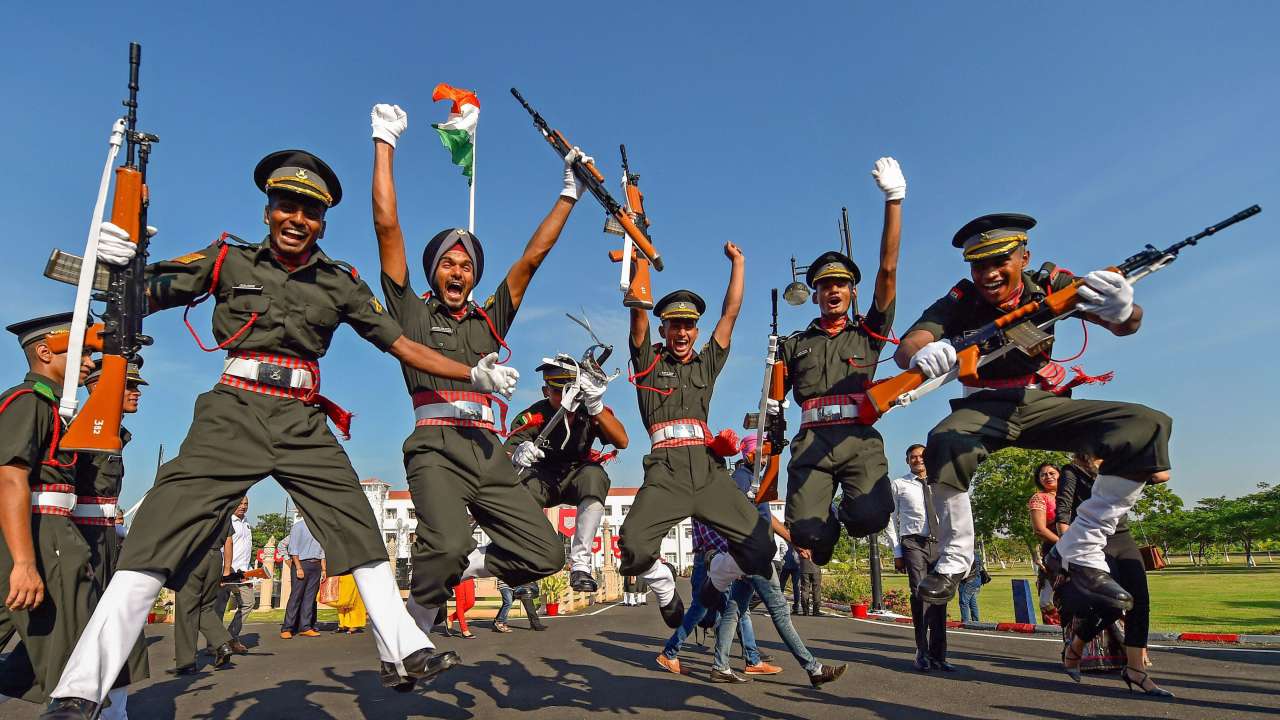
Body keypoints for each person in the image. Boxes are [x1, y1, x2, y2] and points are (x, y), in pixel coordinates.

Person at [43, 149, 500, 717]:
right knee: (155, 531)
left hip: (302, 417)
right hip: (233, 409)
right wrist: (117, 263)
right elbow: (141, 299)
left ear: (323, 221)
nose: (296, 219)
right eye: (287, 205)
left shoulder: (340, 281)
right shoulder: (227, 260)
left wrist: (471, 373)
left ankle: (405, 646)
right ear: (268, 210)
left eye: (309, 211)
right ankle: (80, 688)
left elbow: (400, 344)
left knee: (356, 519)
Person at [894, 212, 1172, 613]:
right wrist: (921, 353)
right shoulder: (961, 299)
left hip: (1040, 400)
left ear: (1024, 257)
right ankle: (956, 556)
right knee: (945, 440)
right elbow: (910, 343)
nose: (988, 273)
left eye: (999, 261)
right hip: (983, 404)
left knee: (1146, 423)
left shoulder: (1050, 284)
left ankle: (1083, 546)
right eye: (979, 264)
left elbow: (1123, 325)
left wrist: (1122, 309)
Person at [368, 104, 567, 636]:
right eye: (448, 264)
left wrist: (568, 193)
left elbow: (530, 260)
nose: (458, 271)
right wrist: (383, 142)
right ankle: (417, 616)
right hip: (435, 446)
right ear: (435, 273)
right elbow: (387, 228)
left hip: (487, 452)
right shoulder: (411, 312)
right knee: (449, 540)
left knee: (547, 554)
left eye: (467, 266)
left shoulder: (489, 318)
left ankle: (465, 571)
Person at [620, 244, 775, 629]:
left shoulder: (705, 364)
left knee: (761, 547)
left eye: (688, 325)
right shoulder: (648, 362)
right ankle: (663, 584)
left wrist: (739, 263)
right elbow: (637, 312)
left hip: (707, 473)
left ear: (696, 330)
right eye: (675, 325)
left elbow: (731, 314)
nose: (682, 332)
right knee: (633, 550)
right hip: (666, 472)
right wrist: (639, 255)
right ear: (664, 329)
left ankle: (715, 584)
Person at [776, 159, 905, 569]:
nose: (833, 290)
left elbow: (887, 271)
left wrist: (893, 200)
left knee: (871, 518)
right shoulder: (794, 345)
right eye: (825, 285)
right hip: (812, 445)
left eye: (841, 285)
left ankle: (847, 515)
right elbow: (774, 403)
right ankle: (821, 521)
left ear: (852, 292)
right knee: (807, 537)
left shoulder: (867, 334)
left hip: (858, 442)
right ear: (814, 294)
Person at [0, 314, 95, 709]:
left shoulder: (55, 406)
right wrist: (24, 562)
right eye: (83, 352)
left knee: (67, 653)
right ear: (44, 352)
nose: (90, 362)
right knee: (69, 662)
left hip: (50, 530)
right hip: (35, 534)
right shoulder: (29, 402)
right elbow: (10, 477)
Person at [707, 436, 847, 688]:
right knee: (781, 611)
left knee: (734, 609)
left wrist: (794, 541)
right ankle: (813, 668)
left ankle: (720, 665)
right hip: (755, 557)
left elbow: (766, 517)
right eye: (764, 454)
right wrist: (741, 549)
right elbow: (729, 514)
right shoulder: (741, 478)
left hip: (750, 555)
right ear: (751, 455)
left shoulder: (753, 480)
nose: (767, 460)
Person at [67, 358, 151, 716]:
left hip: (104, 544)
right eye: (128, 386)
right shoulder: (85, 430)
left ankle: (115, 713)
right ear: (103, 389)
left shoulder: (116, 433)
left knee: (119, 631)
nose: (136, 393)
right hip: (81, 545)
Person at [506, 354, 629, 593]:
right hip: (540, 476)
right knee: (518, 485)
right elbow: (507, 448)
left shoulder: (589, 411)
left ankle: (580, 565)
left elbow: (622, 441)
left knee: (596, 476)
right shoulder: (534, 415)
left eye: (571, 390)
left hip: (576, 475)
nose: (566, 397)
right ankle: (527, 567)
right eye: (557, 391)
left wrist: (597, 406)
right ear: (545, 391)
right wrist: (516, 453)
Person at [1056, 453, 1171, 697]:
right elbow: (1063, 513)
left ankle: (1136, 670)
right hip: (1093, 540)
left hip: (1123, 536)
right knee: (1112, 604)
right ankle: (1076, 644)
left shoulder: (1121, 465)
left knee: (1140, 602)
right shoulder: (1072, 470)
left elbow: (1162, 475)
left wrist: (1136, 458)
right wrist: (1068, 556)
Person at [655, 515, 771, 680]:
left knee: (731, 610)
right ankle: (749, 661)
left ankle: (750, 660)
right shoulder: (708, 499)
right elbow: (713, 536)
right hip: (713, 559)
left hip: (710, 559)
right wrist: (735, 560)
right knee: (722, 609)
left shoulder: (706, 496)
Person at [884, 443, 950, 671]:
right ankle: (921, 651)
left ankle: (939, 655)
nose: (917, 460)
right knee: (920, 595)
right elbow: (890, 519)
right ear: (907, 461)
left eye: (921, 456)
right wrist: (897, 551)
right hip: (913, 543)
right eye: (912, 457)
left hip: (939, 544)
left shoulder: (940, 483)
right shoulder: (899, 485)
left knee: (940, 596)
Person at [170, 523, 234, 675]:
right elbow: (229, 540)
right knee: (205, 607)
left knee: (187, 609)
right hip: (216, 557)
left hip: (194, 557)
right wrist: (226, 569)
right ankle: (222, 644)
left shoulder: (193, 505)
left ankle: (187, 663)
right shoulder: (224, 506)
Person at [216, 496, 254, 652]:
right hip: (226, 570)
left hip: (242, 572)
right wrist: (225, 569)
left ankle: (231, 637)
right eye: (240, 504)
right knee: (219, 608)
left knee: (248, 602)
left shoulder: (246, 524)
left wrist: (249, 570)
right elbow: (222, 547)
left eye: (246, 504)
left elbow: (246, 550)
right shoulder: (227, 522)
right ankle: (216, 644)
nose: (243, 506)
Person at [281, 515, 325, 639]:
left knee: (310, 598)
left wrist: (324, 568)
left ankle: (305, 627)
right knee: (296, 596)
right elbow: (293, 548)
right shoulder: (298, 526)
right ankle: (287, 628)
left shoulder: (319, 528)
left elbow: (322, 549)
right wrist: (298, 567)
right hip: (302, 563)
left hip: (316, 565)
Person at [1028, 463, 1061, 625]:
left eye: (1052, 473)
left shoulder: (1074, 495)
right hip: (1055, 553)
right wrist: (1065, 544)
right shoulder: (1039, 498)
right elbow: (1039, 530)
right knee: (1048, 602)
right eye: (1043, 475)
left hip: (1085, 550)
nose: (1048, 477)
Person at [958, 554, 984, 623]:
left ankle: (965, 622)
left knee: (964, 602)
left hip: (968, 582)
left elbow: (964, 571)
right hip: (977, 581)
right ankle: (976, 621)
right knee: (972, 602)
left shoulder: (967, 556)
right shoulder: (976, 555)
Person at [797, 547, 822, 616]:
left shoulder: (801, 542)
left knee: (805, 589)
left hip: (804, 567)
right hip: (816, 568)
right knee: (816, 590)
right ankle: (816, 611)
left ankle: (805, 611)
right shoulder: (817, 542)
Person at [779, 541, 801, 614]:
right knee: (794, 587)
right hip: (791, 565)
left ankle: (795, 607)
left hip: (791, 565)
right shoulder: (797, 537)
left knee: (795, 587)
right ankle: (794, 607)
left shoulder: (785, 536)